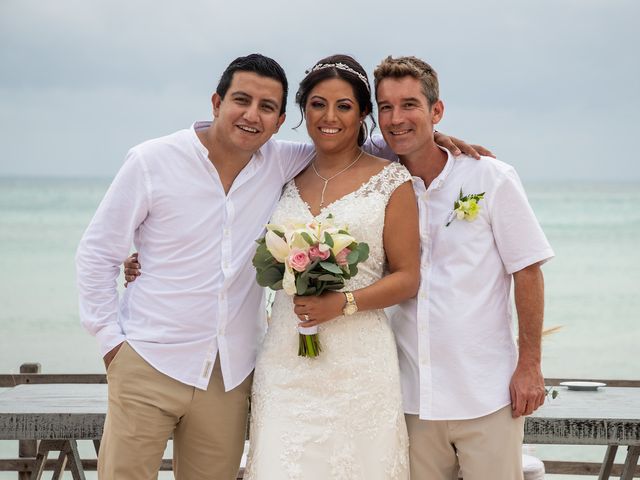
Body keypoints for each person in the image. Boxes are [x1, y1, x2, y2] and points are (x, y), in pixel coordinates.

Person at [77, 53, 482, 480]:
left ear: (278, 118)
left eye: (267, 107)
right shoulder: (178, 162)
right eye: (241, 100)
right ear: (216, 102)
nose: (253, 115)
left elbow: (362, 157)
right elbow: (97, 252)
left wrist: (431, 138)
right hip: (176, 359)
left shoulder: (318, 167)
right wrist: (111, 342)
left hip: (261, 370)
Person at [373, 56, 554, 480]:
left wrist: (530, 366)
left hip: (487, 393)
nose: (396, 118)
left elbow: (527, 270)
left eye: (410, 105)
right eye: (385, 107)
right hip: (409, 397)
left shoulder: (491, 177)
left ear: (437, 111)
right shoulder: (377, 183)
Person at [243, 54, 419, 479]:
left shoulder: (391, 181)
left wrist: (344, 303)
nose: (330, 117)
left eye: (344, 106)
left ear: (362, 114)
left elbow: (408, 277)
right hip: (285, 359)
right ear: (302, 110)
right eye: (318, 104)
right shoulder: (283, 172)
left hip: (359, 366)